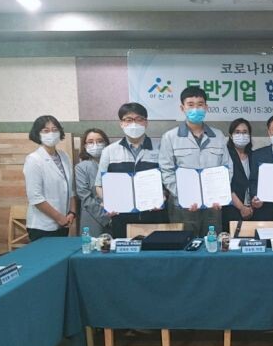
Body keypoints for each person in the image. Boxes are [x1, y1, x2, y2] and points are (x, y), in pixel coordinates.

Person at [159, 86, 232, 236]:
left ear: (206, 107)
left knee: (212, 245)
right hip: (182, 207)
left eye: (200, 104)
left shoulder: (218, 136)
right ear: (182, 108)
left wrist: (220, 194)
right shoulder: (170, 137)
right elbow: (166, 171)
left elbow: (227, 167)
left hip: (213, 206)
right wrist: (184, 197)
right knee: (184, 246)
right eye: (190, 105)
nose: (196, 109)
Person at [95, 102, 168, 238]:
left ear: (146, 122)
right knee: (124, 250)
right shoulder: (109, 151)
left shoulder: (161, 148)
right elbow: (99, 185)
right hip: (121, 218)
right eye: (128, 120)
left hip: (154, 215)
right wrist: (109, 202)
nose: (134, 124)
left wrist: (163, 196)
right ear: (121, 123)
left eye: (139, 119)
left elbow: (167, 180)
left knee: (155, 249)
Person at [23, 115, 77, 241]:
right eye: (46, 131)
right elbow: (35, 197)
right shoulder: (33, 159)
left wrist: (72, 212)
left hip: (64, 222)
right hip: (42, 226)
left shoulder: (64, 156)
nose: (51, 134)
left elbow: (70, 189)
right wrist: (59, 218)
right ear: (38, 134)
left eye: (54, 130)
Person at [75, 128, 112, 237]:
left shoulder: (114, 164)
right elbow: (85, 196)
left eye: (100, 141)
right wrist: (105, 216)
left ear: (106, 143)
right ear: (85, 145)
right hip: (92, 216)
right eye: (90, 142)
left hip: (116, 215)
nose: (95, 145)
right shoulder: (81, 167)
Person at [222, 118, 254, 232]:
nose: (241, 135)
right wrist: (241, 207)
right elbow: (224, 184)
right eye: (237, 132)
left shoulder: (254, 155)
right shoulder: (225, 155)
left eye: (245, 132)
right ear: (231, 136)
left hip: (253, 209)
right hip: (232, 209)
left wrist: (250, 206)